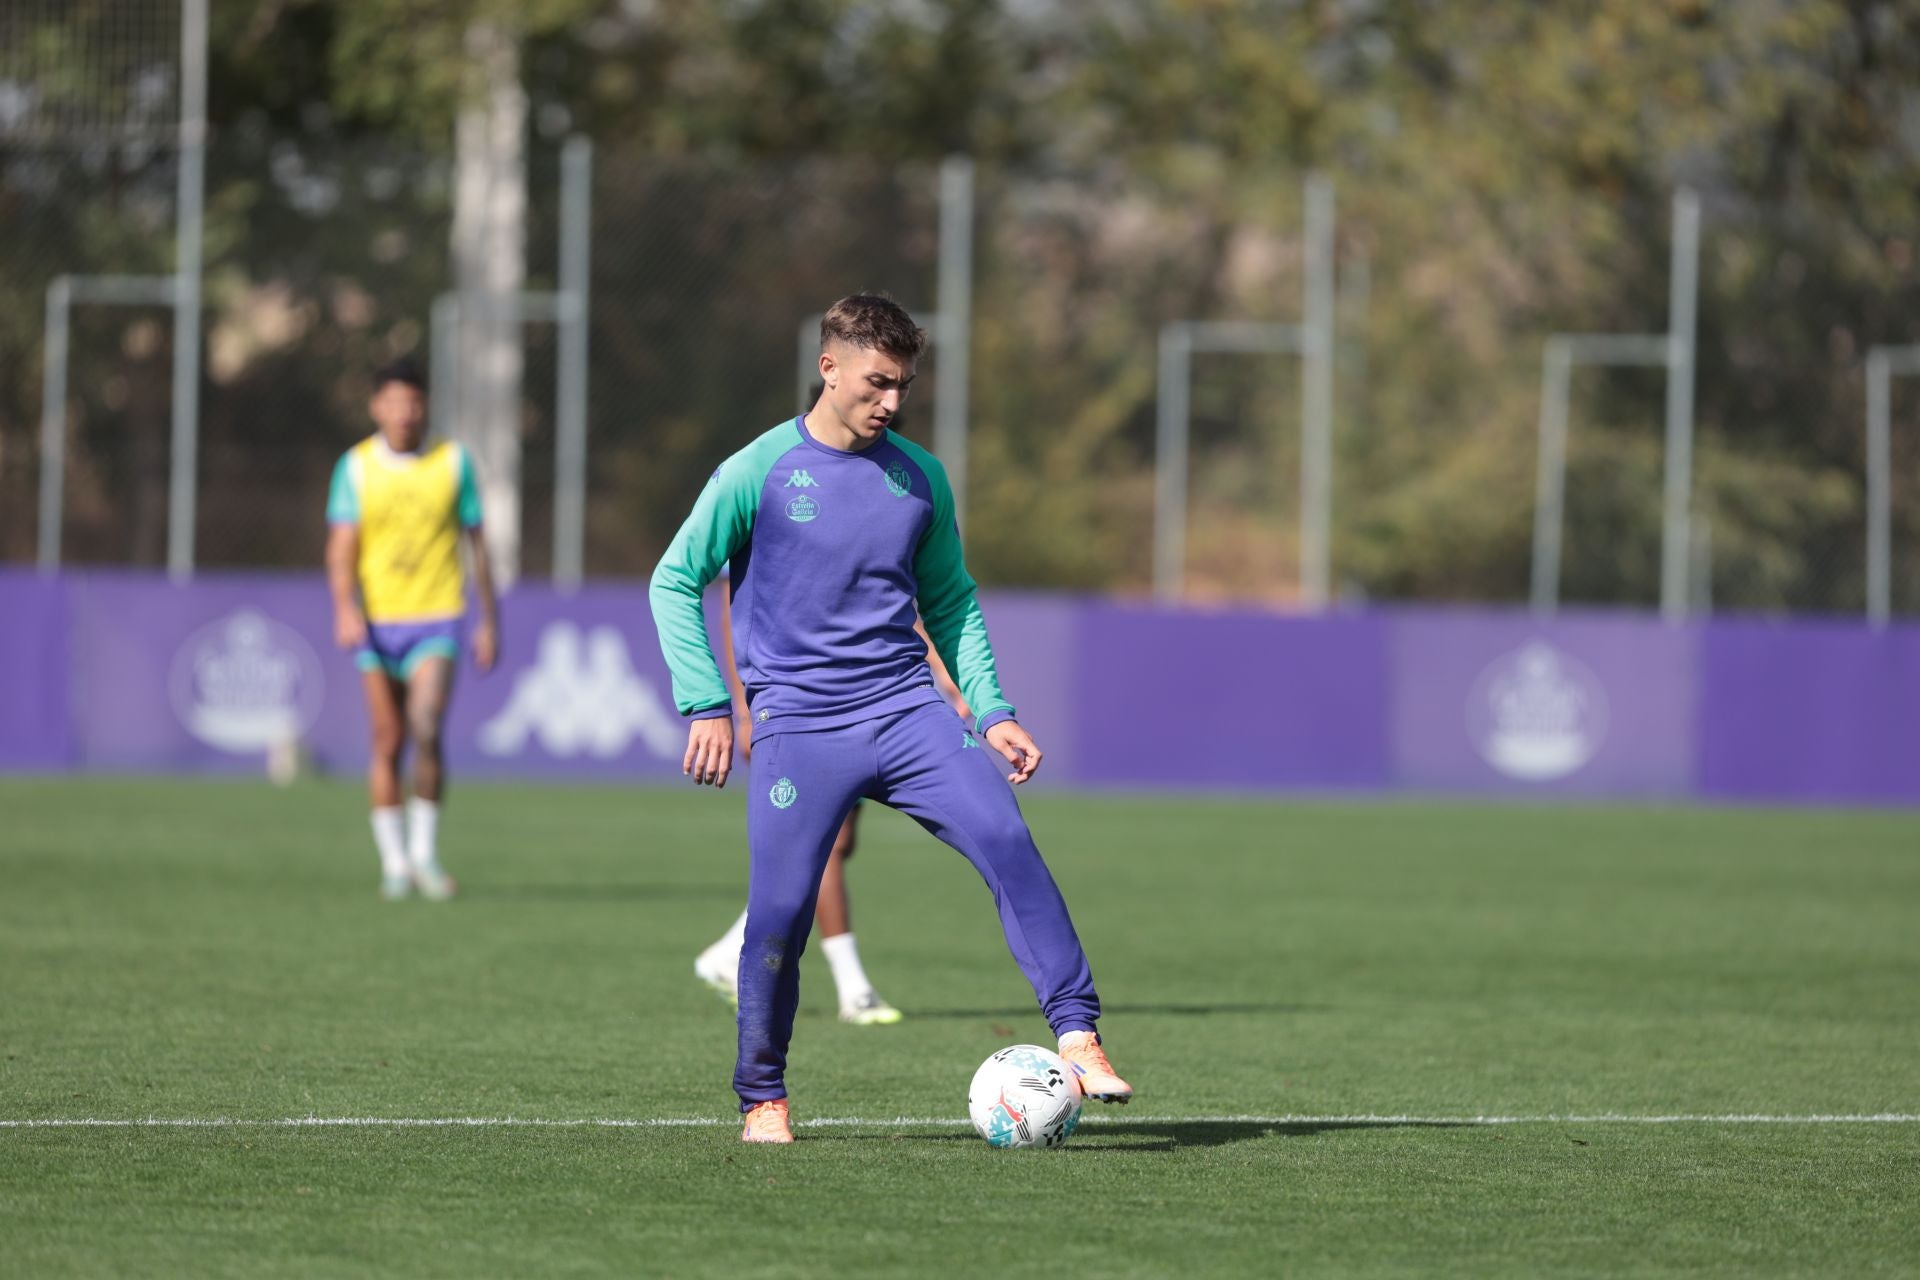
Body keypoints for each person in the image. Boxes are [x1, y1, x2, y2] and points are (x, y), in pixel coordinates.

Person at [650, 293, 1131, 1143]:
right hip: (801, 724)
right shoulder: (756, 471)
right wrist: (707, 703)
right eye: (878, 383)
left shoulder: (920, 477)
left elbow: (951, 600)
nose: (893, 402)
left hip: (907, 709)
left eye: (904, 385)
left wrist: (990, 710)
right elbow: (675, 579)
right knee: (779, 913)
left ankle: (1079, 1033)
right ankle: (763, 1096)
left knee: (1008, 839)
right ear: (829, 367)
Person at [692, 608, 971, 1026]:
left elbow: (887, 603)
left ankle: (729, 952)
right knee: (829, 843)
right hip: (802, 703)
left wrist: (945, 671)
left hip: (862, 697)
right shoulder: (768, 541)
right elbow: (736, 608)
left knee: (835, 843)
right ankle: (853, 988)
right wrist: (745, 708)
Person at [326, 357, 499, 901]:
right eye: (393, 402)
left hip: (437, 617)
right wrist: (344, 607)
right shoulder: (355, 467)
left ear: (424, 405)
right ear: (377, 406)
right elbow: (341, 548)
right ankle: (394, 862)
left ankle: (425, 854)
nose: (404, 412)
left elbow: (477, 545)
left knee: (425, 725)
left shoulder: (452, 462)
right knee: (387, 739)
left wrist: (489, 620)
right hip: (379, 623)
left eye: (413, 402)